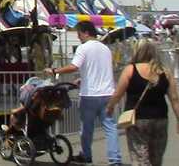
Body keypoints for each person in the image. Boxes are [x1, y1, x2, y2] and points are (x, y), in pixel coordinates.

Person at [45, 21, 122, 165]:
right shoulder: (105, 49)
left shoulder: (83, 48)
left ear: (86, 33)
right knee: (110, 128)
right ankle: (115, 159)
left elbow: (74, 66)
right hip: (107, 93)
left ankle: (86, 155)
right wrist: (83, 78)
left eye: (79, 34)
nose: (79, 37)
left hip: (90, 95)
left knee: (87, 129)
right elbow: (100, 69)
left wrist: (55, 71)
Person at [106, 39, 179, 166]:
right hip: (160, 118)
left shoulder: (130, 70)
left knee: (140, 157)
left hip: (137, 119)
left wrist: (110, 107)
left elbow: (118, 94)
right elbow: (174, 98)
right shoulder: (165, 72)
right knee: (156, 158)